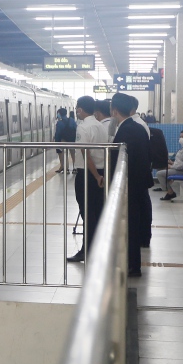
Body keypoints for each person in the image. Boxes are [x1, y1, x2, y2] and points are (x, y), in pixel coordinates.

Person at [111, 93, 153, 277]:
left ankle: (133, 266)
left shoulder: (125, 130)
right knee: (132, 225)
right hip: (138, 183)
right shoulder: (137, 127)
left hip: (131, 185)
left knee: (131, 226)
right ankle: (132, 264)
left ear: (114, 110)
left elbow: (121, 160)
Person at [67, 97, 107, 263]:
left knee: (87, 214)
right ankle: (97, 248)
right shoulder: (100, 125)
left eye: (77, 108)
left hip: (88, 174)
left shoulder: (83, 127)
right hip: (101, 171)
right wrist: (100, 175)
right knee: (97, 213)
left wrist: (96, 176)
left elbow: (85, 153)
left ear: (80, 109)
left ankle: (87, 250)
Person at [157, 130, 183, 201]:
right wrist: (172, 163)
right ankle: (170, 191)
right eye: (180, 137)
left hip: (182, 171)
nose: (181, 139)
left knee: (160, 174)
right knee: (161, 170)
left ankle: (170, 192)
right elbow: (180, 162)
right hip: (178, 169)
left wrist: (171, 166)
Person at [53, 107, 76, 172]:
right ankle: (75, 168)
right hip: (72, 140)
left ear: (59, 114)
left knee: (63, 154)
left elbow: (58, 133)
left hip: (63, 140)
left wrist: (57, 143)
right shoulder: (71, 120)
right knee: (73, 153)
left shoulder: (59, 123)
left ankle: (65, 168)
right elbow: (76, 128)